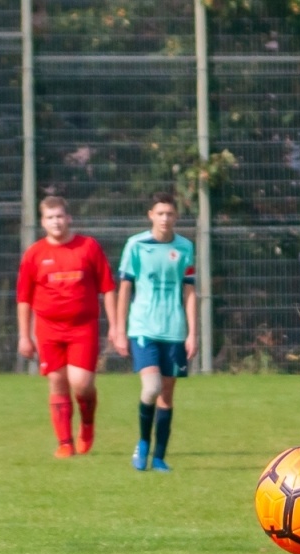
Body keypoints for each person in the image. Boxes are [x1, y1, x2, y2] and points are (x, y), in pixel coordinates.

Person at [17, 196, 117, 458]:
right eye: (50, 218)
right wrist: (24, 336)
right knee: (57, 382)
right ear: (43, 222)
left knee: (81, 384)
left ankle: (87, 423)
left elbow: (107, 288)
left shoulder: (88, 247)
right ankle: (65, 443)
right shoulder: (35, 254)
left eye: (60, 216)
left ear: (69, 218)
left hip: (83, 327)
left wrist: (115, 327)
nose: (56, 222)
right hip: (48, 329)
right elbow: (24, 298)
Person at [111, 192, 196, 472]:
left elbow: (189, 292)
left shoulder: (184, 247)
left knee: (167, 396)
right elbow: (124, 290)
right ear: (150, 215)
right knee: (152, 387)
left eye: (170, 214)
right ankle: (143, 443)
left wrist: (192, 333)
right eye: (160, 213)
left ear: (176, 217)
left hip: (173, 331)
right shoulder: (136, 245)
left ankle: (159, 457)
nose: (165, 218)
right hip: (143, 328)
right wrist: (119, 329)